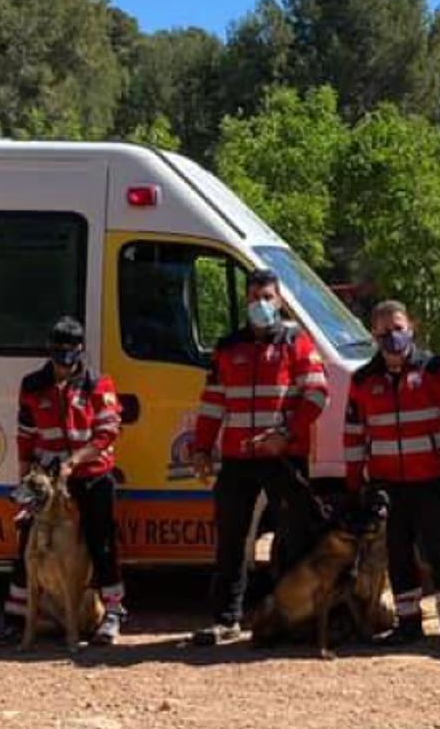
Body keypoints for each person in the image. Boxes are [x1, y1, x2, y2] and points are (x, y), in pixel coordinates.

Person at [190, 268, 330, 646]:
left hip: (283, 456)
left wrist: (285, 435)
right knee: (231, 540)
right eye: (254, 297)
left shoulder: (296, 342)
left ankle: (297, 619)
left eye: (267, 297)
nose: (260, 304)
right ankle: (226, 620)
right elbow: (212, 404)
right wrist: (202, 449)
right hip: (238, 458)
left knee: (296, 536)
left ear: (280, 300)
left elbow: (317, 395)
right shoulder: (228, 347)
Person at [344, 300, 440, 652]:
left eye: (398, 328)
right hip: (388, 484)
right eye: (384, 331)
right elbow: (354, 434)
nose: (392, 336)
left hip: (430, 479)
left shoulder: (434, 369)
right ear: (373, 335)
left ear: (411, 327)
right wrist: (355, 481)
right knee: (398, 554)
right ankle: (409, 623)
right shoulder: (362, 380)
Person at [0, 317, 125, 646]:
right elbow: (25, 436)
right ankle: (16, 617)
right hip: (47, 481)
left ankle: (112, 613)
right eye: (58, 349)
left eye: (70, 349)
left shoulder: (98, 383)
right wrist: (25, 485)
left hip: (91, 474)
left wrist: (75, 461)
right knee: (28, 543)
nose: (63, 355)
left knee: (102, 541)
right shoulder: (33, 384)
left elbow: (108, 432)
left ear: (80, 349)